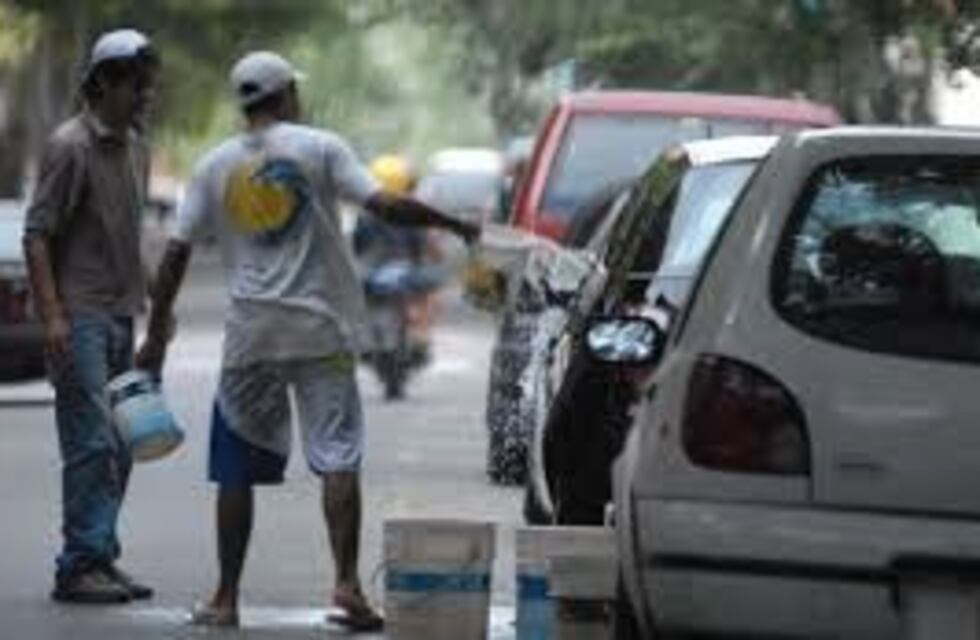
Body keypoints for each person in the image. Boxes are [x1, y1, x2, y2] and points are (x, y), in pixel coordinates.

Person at [136, 51, 478, 630]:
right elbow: (386, 205)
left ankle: (225, 598)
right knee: (338, 456)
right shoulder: (320, 147)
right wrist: (453, 223)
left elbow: (175, 253)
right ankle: (346, 584)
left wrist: (158, 333)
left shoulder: (215, 165)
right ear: (287, 95)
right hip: (321, 331)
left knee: (235, 469)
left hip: (251, 335)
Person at [22, 29, 159, 604]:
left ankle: (99, 553)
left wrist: (156, 308)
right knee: (91, 442)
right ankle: (77, 566)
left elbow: (125, 235)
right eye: (133, 83)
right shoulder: (69, 146)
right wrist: (52, 315)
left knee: (126, 442)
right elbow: (37, 235)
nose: (143, 94)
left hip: (122, 315)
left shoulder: (136, 145)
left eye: (146, 83)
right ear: (102, 81)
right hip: (77, 317)